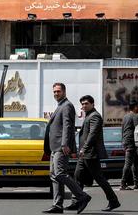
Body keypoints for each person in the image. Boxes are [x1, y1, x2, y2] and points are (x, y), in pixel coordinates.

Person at [43, 83, 91, 214]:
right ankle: (57, 205)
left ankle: (82, 196)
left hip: (61, 146)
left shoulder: (67, 105)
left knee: (59, 173)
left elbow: (68, 126)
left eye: (58, 91)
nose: (56, 94)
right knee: (54, 175)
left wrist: (64, 144)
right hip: (54, 146)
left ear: (64, 92)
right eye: (54, 92)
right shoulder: (60, 105)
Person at [71, 95, 121, 213]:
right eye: (82, 104)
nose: (84, 106)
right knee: (78, 175)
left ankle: (113, 200)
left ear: (92, 104)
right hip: (85, 154)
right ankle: (77, 201)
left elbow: (92, 134)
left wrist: (84, 148)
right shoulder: (89, 115)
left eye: (86, 103)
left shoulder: (95, 116)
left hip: (90, 153)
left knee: (99, 178)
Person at [120, 101, 138, 190]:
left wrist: (123, 142)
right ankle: (123, 183)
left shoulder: (125, 116)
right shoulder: (135, 116)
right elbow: (137, 130)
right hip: (131, 142)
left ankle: (136, 182)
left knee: (135, 162)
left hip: (126, 141)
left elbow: (122, 130)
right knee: (128, 163)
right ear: (135, 107)